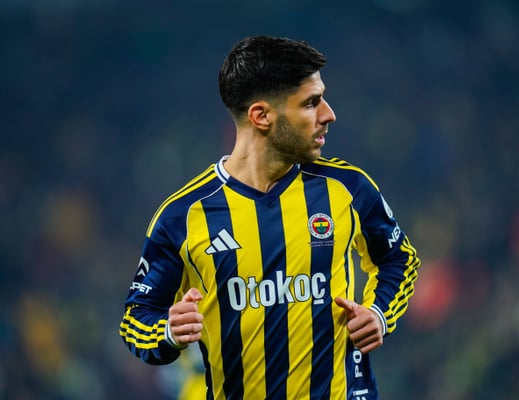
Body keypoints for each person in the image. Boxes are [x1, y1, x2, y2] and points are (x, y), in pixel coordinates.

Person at [119, 35, 421, 400]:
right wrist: (167, 331)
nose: (328, 114)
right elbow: (137, 318)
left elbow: (398, 260)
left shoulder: (348, 188)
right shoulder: (182, 217)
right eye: (311, 103)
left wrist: (378, 313)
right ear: (261, 116)